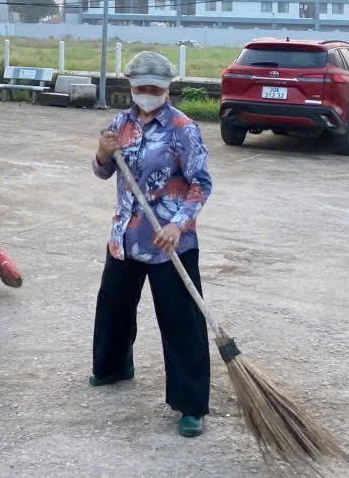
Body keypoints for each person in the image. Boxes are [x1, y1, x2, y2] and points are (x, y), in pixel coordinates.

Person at [91, 50, 213, 438]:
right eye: (139, 87)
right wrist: (101, 154)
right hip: (126, 236)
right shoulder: (120, 124)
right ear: (130, 86)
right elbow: (103, 171)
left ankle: (190, 404)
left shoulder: (183, 128)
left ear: (166, 88)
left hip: (169, 243)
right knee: (114, 306)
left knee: (181, 323)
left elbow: (201, 183)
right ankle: (113, 367)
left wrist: (179, 226)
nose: (145, 94)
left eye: (153, 88)